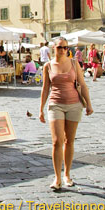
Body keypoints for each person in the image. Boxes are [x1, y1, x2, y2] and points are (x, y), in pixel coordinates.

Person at [39, 37, 93, 190]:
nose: (63, 50)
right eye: (59, 47)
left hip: (74, 105)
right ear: (53, 48)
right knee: (57, 141)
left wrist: (89, 104)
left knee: (69, 140)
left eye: (65, 47)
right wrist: (41, 109)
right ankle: (57, 178)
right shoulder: (48, 66)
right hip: (55, 104)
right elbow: (45, 88)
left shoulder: (74, 64)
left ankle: (67, 174)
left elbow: (82, 84)